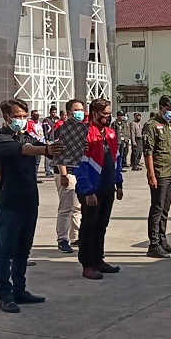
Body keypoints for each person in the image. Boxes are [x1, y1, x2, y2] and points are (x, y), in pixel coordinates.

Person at [0, 98, 63, 313]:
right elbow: (25, 149)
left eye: (24, 116)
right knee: (6, 251)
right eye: (18, 116)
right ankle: (6, 294)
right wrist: (46, 150)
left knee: (24, 248)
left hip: (30, 199)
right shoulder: (0, 139)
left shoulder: (27, 137)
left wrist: (55, 148)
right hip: (10, 201)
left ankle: (20, 289)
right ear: (6, 117)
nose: (21, 120)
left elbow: (38, 146)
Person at [74, 99, 123, 279]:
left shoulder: (110, 133)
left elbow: (116, 160)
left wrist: (119, 184)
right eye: (103, 113)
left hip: (107, 187)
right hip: (91, 189)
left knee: (101, 225)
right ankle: (87, 264)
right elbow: (80, 165)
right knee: (89, 226)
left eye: (109, 113)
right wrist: (87, 191)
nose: (107, 116)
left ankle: (98, 260)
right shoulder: (85, 134)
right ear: (94, 113)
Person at [143, 95, 171, 259]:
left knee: (165, 208)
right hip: (159, 173)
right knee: (157, 208)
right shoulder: (151, 126)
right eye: (169, 109)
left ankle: (162, 240)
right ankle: (154, 244)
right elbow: (148, 152)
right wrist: (151, 174)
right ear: (161, 108)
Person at [53, 99, 85, 254]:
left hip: (78, 171)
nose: (80, 112)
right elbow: (59, 152)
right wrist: (64, 174)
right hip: (66, 172)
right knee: (66, 207)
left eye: (81, 109)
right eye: (76, 109)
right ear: (68, 112)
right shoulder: (62, 129)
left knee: (78, 206)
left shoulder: (81, 128)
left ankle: (76, 236)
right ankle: (62, 239)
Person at [26, 110, 45, 184]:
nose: (36, 115)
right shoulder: (29, 123)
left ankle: (35, 177)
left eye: (37, 114)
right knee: (31, 162)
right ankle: (30, 177)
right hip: (33, 144)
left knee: (37, 162)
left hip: (39, 144)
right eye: (34, 114)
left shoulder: (39, 124)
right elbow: (28, 132)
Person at [42, 106, 58, 177]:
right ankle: (48, 170)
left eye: (55, 112)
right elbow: (45, 130)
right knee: (48, 155)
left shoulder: (55, 120)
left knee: (54, 155)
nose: (54, 114)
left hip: (54, 139)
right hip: (49, 139)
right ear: (50, 112)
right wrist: (46, 139)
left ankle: (52, 169)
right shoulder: (46, 120)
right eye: (53, 112)